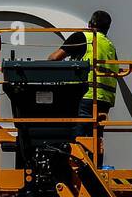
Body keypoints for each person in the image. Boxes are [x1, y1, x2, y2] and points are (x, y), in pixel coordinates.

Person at [47, 10, 118, 159]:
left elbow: (54, 58)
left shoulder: (83, 37)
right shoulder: (110, 46)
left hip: (84, 97)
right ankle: (96, 171)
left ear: (90, 24)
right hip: (104, 101)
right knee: (95, 140)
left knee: (76, 140)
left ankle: (76, 172)